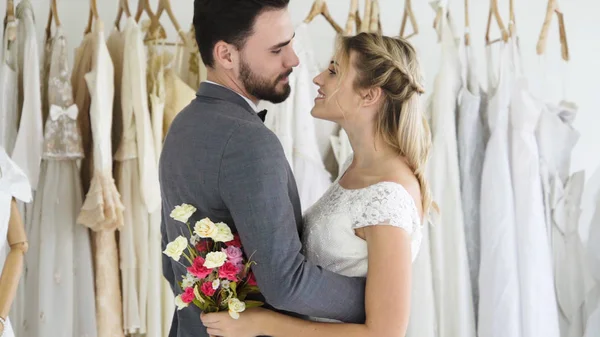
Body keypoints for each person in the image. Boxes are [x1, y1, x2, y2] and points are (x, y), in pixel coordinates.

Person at [200, 32, 433, 337]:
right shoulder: (357, 166)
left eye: (334, 71)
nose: (318, 78)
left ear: (369, 95)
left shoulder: (388, 196)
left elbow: (384, 333)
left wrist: (262, 323)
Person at [159, 1, 367, 336]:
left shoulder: (182, 125)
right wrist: (375, 298)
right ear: (227, 55)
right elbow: (287, 283)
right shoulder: (248, 141)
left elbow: (175, 267)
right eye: (277, 50)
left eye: (291, 43)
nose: (294, 60)